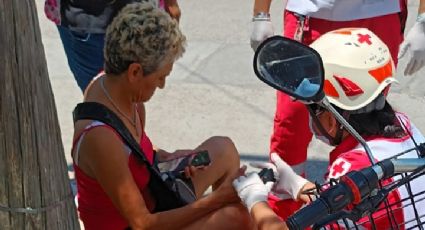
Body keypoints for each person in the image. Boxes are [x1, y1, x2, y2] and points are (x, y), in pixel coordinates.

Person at [71, 3, 252, 229]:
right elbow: (142, 223)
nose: (162, 85)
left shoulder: (117, 89)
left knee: (223, 149)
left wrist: (168, 158)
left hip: (153, 196)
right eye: (159, 78)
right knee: (237, 217)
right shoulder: (100, 137)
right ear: (135, 72)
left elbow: (135, 153)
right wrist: (217, 201)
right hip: (136, 223)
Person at [234, 28, 425, 229]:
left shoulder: (353, 165)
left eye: (311, 110)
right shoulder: (402, 124)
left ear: (330, 118)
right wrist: (297, 186)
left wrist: (255, 200)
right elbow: (357, 198)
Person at [44, 0, 181, 92]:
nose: (161, 85)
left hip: (91, 20)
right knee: (116, 102)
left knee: (116, 102)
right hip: (91, 22)